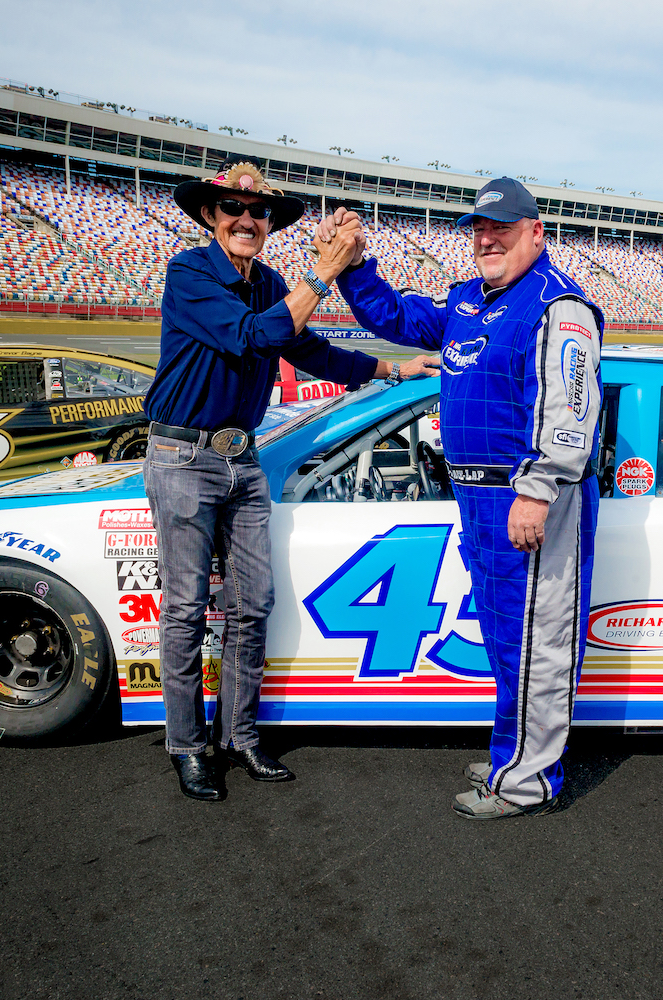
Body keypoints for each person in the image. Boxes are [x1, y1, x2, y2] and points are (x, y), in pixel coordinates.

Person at [319, 177, 603, 819]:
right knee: (506, 638)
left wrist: (537, 491)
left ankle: (528, 781)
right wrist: (355, 265)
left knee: (536, 643)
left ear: (536, 232)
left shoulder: (560, 307)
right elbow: (394, 317)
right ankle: (514, 756)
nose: (486, 238)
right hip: (477, 502)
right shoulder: (468, 300)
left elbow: (572, 408)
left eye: (501, 227)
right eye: (478, 228)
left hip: (530, 498)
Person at [148, 161, 433, 801]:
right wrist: (324, 272)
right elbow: (261, 335)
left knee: (253, 605)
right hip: (183, 456)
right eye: (232, 210)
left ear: (270, 224)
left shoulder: (271, 280)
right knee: (188, 610)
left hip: (242, 459)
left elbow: (307, 351)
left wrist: (394, 368)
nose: (246, 220)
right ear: (209, 217)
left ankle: (240, 738)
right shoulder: (189, 272)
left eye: (259, 214)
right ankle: (188, 745)